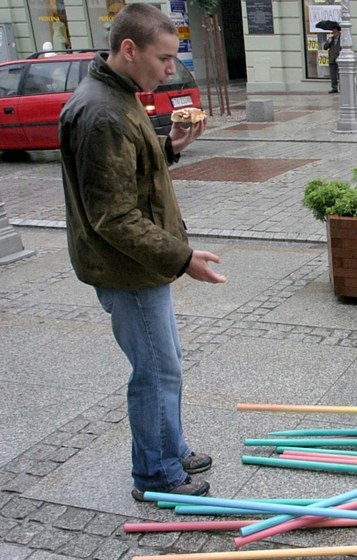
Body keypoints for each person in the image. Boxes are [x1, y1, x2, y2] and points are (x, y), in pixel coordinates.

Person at [59, 4, 227, 500]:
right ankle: (155, 474)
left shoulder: (122, 94)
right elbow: (112, 216)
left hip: (138, 263)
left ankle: (170, 449)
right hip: (126, 268)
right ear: (128, 49)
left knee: (165, 362)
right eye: (164, 57)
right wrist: (181, 258)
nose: (171, 69)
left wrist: (170, 147)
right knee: (154, 369)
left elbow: (131, 178)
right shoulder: (103, 112)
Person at [323, 25, 341, 93]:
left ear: (338, 31)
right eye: (333, 31)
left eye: (335, 31)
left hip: (339, 59)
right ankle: (334, 88)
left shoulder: (342, 38)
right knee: (333, 75)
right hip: (332, 59)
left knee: (340, 75)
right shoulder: (331, 39)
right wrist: (328, 42)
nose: (334, 32)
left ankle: (341, 88)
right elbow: (325, 47)